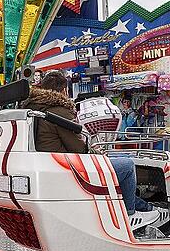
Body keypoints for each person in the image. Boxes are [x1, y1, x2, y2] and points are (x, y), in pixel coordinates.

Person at [22, 70, 160, 231]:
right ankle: (130, 214)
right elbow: (79, 148)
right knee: (127, 165)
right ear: (64, 90)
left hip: (51, 164)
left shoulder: (34, 108)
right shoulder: (60, 111)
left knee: (117, 164)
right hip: (68, 167)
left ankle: (147, 208)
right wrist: (97, 152)